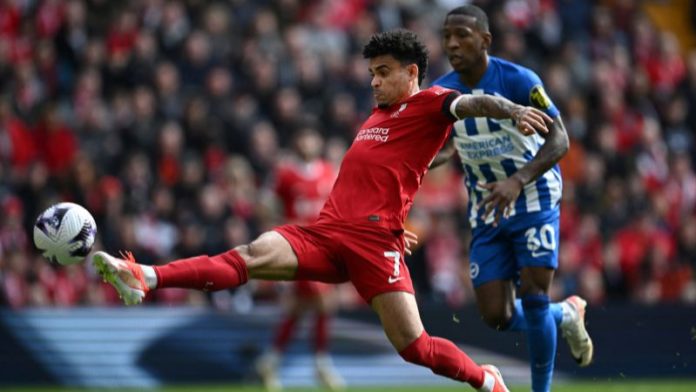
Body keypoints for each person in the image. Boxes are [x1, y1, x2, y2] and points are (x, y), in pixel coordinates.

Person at [93, 29, 552, 392]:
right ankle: (146, 277)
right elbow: (392, 174)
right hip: (328, 234)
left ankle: (484, 378)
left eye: (384, 71)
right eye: (371, 71)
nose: (373, 80)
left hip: (373, 246)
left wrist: (510, 110)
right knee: (251, 254)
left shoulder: (429, 102)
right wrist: (394, 214)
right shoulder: (376, 117)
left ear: (411, 73)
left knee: (415, 348)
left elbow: (470, 103)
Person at [430, 6, 593, 392]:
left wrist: (518, 180)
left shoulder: (520, 80)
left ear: (485, 40)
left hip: (532, 195)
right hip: (486, 205)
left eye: (462, 35)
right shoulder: (441, 90)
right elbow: (433, 148)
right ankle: (565, 314)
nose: (452, 43)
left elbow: (560, 139)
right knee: (495, 315)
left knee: (534, 297)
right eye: (447, 35)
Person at [256, 125, 344, 391]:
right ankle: (321, 363)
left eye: (312, 136)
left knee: (298, 309)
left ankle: (269, 361)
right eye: (304, 136)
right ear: (297, 141)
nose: (308, 141)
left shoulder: (329, 171)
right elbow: (265, 205)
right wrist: (280, 228)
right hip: (299, 247)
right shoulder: (285, 174)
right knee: (324, 302)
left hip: (325, 248)